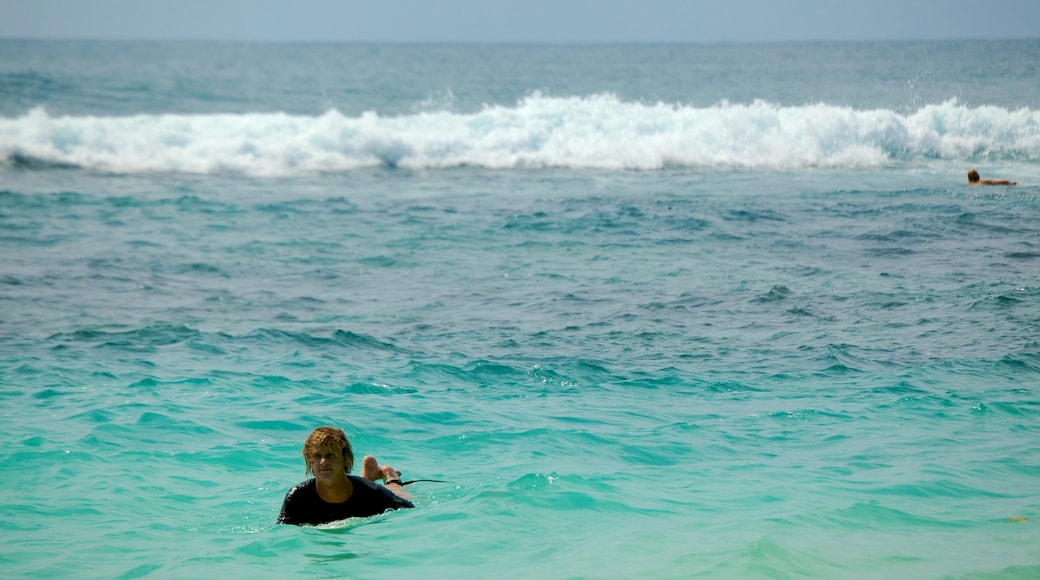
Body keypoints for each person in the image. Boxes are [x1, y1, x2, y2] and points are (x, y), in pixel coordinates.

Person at [277, 426, 414, 526]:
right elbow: (280, 535)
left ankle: (390, 475)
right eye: (318, 456)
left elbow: (409, 510)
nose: (323, 461)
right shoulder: (298, 497)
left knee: (397, 491)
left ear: (345, 458)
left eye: (330, 455)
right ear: (310, 461)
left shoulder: (372, 492)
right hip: (360, 486)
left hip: (366, 489)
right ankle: (369, 473)